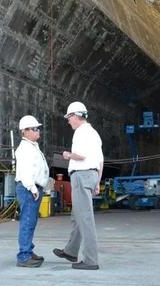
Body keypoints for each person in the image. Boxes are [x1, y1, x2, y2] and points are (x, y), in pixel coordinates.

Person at [53, 101, 103, 270]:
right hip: (91, 175)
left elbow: (81, 156)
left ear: (75, 116)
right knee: (78, 216)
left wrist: (68, 155)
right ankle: (71, 251)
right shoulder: (94, 133)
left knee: (85, 219)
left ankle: (91, 260)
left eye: (69, 117)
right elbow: (100, 161)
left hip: (81, 175)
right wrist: (97, 181)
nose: (68, 121)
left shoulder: (81, 133)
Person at [14, 115, 49, 268]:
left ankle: (28, 250)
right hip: (29, 188)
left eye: (38, 128)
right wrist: (33, 187)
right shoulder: (25, 149)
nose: (38, 131)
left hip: (33, 188)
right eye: (35, 129)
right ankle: (24, 256)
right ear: (25, 131)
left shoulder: (32, 146)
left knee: (31, 222)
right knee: (27, 222)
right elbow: (25, 171)